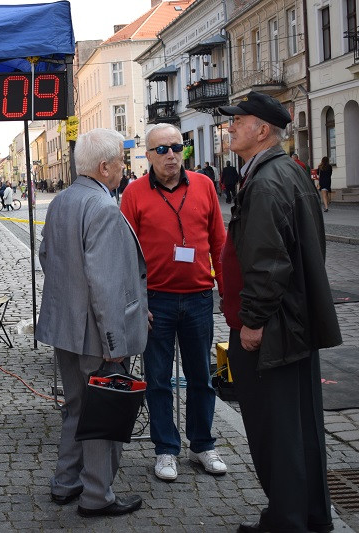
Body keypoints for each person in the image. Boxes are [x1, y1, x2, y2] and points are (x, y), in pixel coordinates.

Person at [219, 91, 342, 533]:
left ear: (262, 130)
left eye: (239, 120)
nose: (231, 126)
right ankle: (305, 517)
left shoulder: (269, 181)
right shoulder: (282, 172)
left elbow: (269, 263)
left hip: (272, 330)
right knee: (299, 427)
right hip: (292, 324)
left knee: (278, 432)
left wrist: (252, 322)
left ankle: (288, 522)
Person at [36, 129, 148, 518]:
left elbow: (47, 255)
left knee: (76, 407)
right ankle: (97, 495)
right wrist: (114, 343)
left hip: (66, 327)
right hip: (97, 334)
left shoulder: (62, 200)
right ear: (105, 167)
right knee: (104, 412)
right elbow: (106, 284)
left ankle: (66, 483)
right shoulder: (102, 207)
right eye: (120, 160)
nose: (123, 167)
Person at [120, 123, 228, 482]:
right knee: (158, 380)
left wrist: (225, 293)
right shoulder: (134, 193)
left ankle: (202, 444)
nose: (171, 155)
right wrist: (135, 302)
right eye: (162, 150)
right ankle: (166, 449)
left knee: (202, 378)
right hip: (157, 302)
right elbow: (125, 256)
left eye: (177, 147)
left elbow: (219, 243)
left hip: (198, 297)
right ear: (148, 156)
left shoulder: (204, 186)